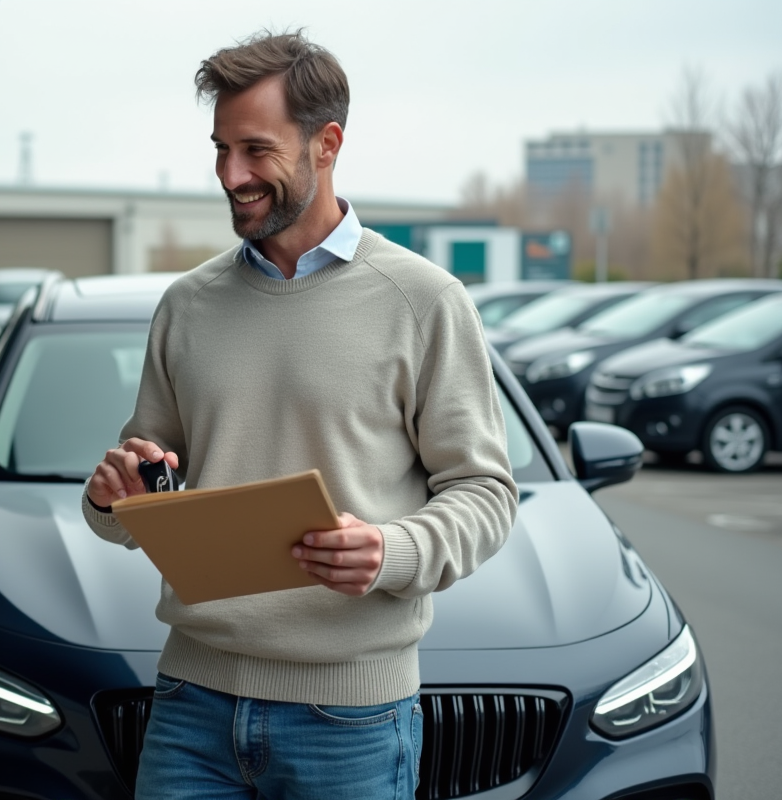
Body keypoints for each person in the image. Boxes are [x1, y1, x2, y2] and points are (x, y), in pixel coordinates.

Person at [82, 30, 518, 800]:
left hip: (350, 720)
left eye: (255, 149)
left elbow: (485, 493)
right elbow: (140, 497)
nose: (230, 175)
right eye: (220, 149)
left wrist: (394, 550)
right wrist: (112, 497)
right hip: (191, 707)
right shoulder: (187, 305)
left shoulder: (424, 302)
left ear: (328, 143)